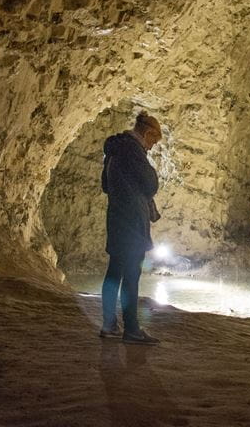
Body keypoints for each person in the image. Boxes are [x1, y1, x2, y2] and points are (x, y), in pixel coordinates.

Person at [100, 110, 163, 344]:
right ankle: (132, 330)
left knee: (114, 272)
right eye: (153, 141)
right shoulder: (133, 151)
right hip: (132, 222)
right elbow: (150, 183)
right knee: (131, 276)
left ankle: (108, 325)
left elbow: (106, 185)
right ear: (146, 133)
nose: (152, 147)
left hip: (116, 218)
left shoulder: (114, 151)